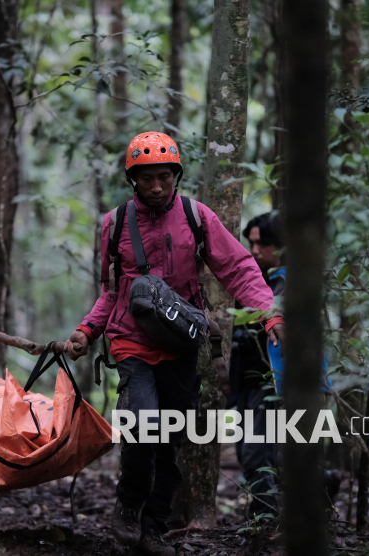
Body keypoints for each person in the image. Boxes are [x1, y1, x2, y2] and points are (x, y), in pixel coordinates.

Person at [64, 132, 284, 556]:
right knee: (144, 425)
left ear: (176, 175)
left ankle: (155, 528)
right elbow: (110, 292)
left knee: (169, 441)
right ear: (133, 181)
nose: (157, 187)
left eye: (164, 177)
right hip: (131, 342)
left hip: (182, 345)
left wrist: (268, 312)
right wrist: (86, 331)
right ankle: (128, 504)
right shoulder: (114, 224)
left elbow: (237, 267)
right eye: (147, 179)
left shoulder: (196, 216)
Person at [228, 212, 285, 519]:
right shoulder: (250, 280)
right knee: (247, 451)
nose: (255, 250)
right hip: (247, 379)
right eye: (251, 243)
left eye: (263, 244)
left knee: (256, 452)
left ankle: (265, 519)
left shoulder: (289, 283)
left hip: (273, 381)